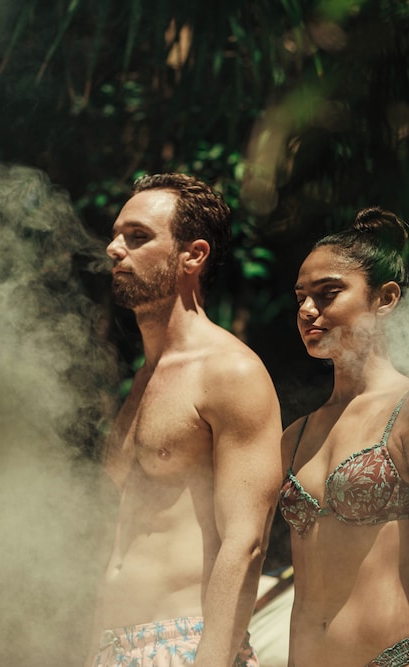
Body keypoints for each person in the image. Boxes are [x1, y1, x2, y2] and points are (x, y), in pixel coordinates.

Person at [87, 173, 283, 667]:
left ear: (192, 256)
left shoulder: (230, 372)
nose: (114, 248)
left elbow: (246, 541)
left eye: (138, 236)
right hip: (115, 647)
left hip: (186, 644)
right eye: (116, 235)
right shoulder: (143, 381)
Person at [278, 207, 409, 667]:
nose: (307, 310)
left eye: (327, 293)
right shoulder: (296, 435)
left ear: (385, 298)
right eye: (301, 297)